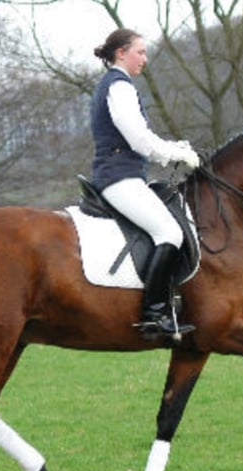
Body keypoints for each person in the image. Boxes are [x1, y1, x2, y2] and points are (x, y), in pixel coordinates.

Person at [90, 28, 200, 339]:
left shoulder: (114, 84)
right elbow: (138, 139)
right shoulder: (119, 86)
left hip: (122, 175)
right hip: (118, 178)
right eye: (140, 52)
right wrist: (173, 153)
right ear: (121, 53)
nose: (145, 59)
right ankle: (155, 315)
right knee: (169, 232)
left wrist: (175, 147)